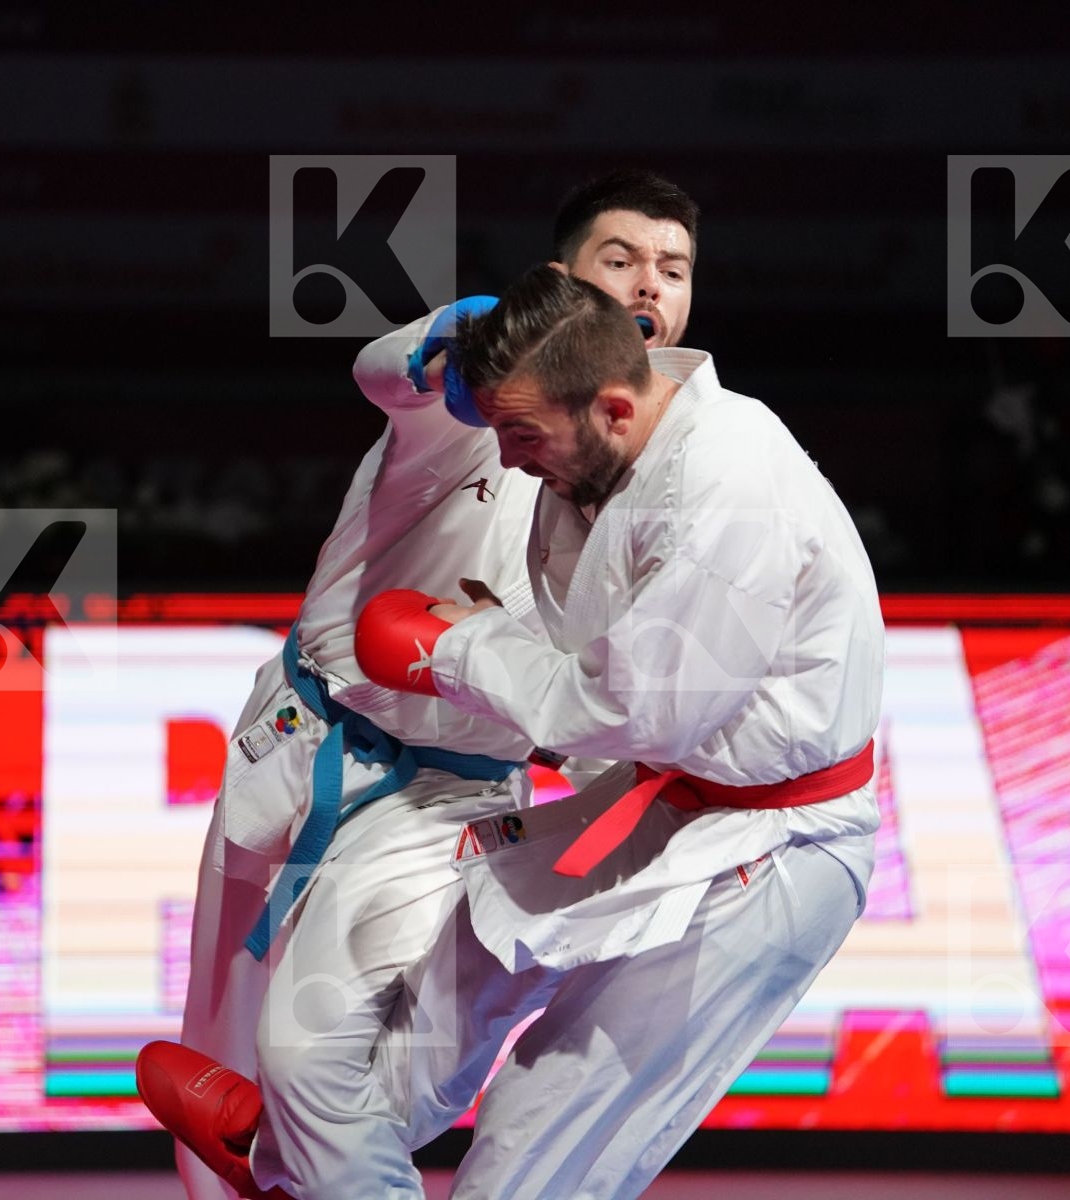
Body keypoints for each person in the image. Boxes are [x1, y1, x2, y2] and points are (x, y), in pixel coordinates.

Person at [145, 172, 704, 1199]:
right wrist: (462, 340)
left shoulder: (679, 470)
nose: (646, 286)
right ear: (558, 278)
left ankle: (297, 1167)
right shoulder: (474, 396)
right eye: (619, 259)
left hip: (450, 794)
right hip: (299, 733)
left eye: (671, 270)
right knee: (213, 1043)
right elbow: (381, 371)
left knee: (350, 1051)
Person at [349, 263, 884, 1199]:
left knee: (544, 1128)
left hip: (772, 847)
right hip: (675, 796)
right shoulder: (607, 453)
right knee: (473, 949)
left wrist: (458, 648)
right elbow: (585, 656)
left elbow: (638, 711)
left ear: (614, 408)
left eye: (521, 435)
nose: (509, 461)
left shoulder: (728, 486)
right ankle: (312, 1147)